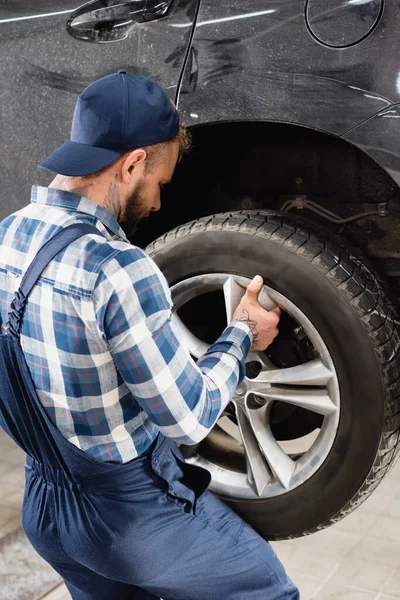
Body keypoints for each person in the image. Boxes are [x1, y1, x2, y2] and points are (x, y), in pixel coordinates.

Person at [0, 70, 299, 599]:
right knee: (267, 589)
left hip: (45, 513)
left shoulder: (6, 237)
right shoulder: (117, 268)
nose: (159, 203)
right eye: (159, 182)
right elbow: (187, 418)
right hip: (129, 523)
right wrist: (241, 335)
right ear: (133, 163)